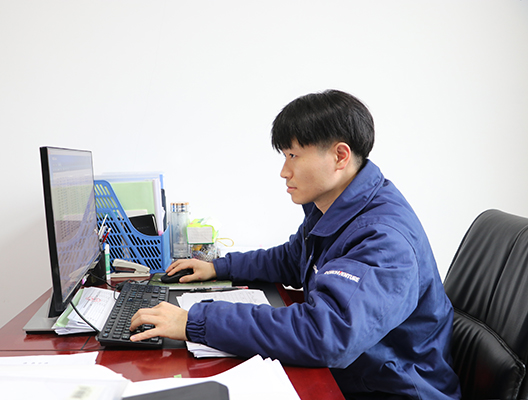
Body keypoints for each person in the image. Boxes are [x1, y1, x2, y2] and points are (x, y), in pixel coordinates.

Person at [129, 90, 461, 399]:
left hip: (393, 390)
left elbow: (325, 335)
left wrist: (195, 322)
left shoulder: (384, 239)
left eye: (293, 155)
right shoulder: (337, 205)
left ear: (340, 156)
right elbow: (293, 258)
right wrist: (219, 267)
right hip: (353, 376)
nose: (284, 171)